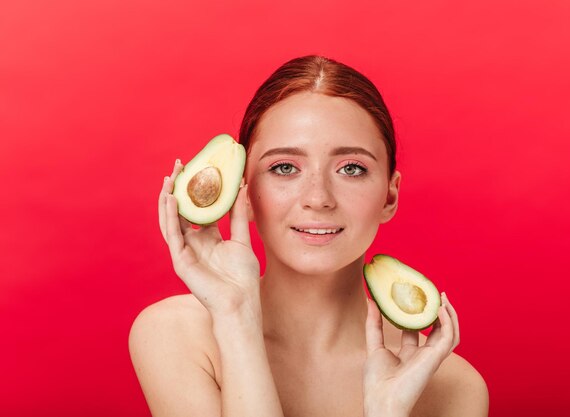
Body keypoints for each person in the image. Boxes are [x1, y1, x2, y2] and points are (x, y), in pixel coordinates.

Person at [129, 55, 489, 417]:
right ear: (244, 191)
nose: (318, 198)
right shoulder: (175, 336)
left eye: (351, 168)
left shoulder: (451, 387)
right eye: (284, 168)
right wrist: (237, 318)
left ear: (389, 196)